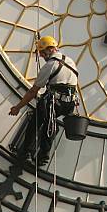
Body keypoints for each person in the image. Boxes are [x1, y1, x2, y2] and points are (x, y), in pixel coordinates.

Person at [9, 36, 78, 167]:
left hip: (53, 101)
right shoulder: (70, 62)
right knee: (50, 125)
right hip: (68, 104)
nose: (41, 56)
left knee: (34, 123)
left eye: (41, 53)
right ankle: (43, 157)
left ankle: (27, 153)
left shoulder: (50, 66)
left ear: (48, 50)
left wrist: (17, 107)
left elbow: (32, 92)